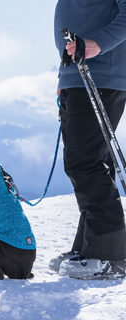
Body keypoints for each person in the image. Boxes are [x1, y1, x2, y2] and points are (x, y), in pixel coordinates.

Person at [49, 0, 126, 279]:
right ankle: (90, 247)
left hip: (100, 76)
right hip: (77, 76)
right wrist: (64, 74)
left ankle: (111, 256)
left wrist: (98, 43)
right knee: (88, 163)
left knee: (86, 163)